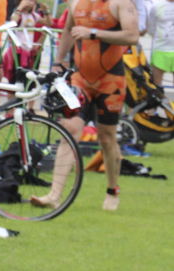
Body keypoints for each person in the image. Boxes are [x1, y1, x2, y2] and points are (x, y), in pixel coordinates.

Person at [35, 0, 139, 211]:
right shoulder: (75, 2)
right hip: (81, 78)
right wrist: (58, 60)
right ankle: (54, 195)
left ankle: (112, 190)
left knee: (106, 138)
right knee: (69, 129)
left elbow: (132, 36)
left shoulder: (120, 3)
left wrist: (93, 33)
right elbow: (67, 29)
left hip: (110, 80)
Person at [149, 0, 174, 87]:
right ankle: (158, 100)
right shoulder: (156, 6)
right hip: (161, 49)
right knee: (156, 85)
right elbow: (151, 28)